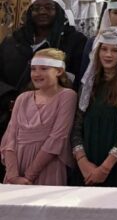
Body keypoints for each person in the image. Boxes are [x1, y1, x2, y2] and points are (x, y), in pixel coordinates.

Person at [71, 27, 117, 187]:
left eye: (114, 50)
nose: (108, 55)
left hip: (116, 165)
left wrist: (105, 168)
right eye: (104, 49)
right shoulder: (88, 82)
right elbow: (77, 125)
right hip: (86, 163)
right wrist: (82, 161)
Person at [1, 48, 77, 185]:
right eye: (33, 69)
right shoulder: (23, 98)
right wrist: (13, 176)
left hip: (48, 167)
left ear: (59, 71)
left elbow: (57, 138)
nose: (36, 74)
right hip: (16, 169)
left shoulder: (67, 96)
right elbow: (10, 138)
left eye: (43, 68)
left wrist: (29, 176)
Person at [0, 0, 86, 102]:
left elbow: (75, 80)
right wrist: (9, 98)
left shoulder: (75, 41)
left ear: (59, 11)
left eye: (49, 7)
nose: (42, 12)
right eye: (36, 8)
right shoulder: (13, 40)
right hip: (6, 103)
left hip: (50, 105)